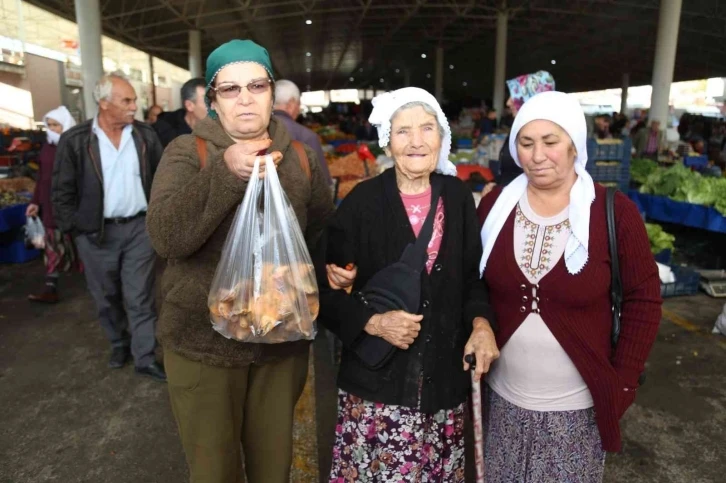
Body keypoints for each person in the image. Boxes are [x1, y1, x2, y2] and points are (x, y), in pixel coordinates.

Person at [145, 40, 334, 483]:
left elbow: (320, 231)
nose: (245, 97)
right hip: (202, 346)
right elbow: (166, 236)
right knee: (215, 472)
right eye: (229, 89)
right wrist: (225, 172)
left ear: (272, 93)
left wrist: (333, 268)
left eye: (256, 85)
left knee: (274, 468)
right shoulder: (187, 153)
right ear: (212, 101)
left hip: (280, 345)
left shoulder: (302, 157)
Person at [476, 91, 662, 482]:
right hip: (502, 404)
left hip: (577, 413)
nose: (537, 155)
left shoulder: (614, 211)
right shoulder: (494, 207)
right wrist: (478, 324)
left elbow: (643, 301)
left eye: (550, 142)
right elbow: (471, 283)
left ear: (575, 145)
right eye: (526, 143)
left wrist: (623, 383)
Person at [319, 87, 498, 482]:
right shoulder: (361, 202)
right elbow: (322, 288)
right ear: (387, 140)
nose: (416, 141)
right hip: (378, 393)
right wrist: (372, 321)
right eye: (403, 131)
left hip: (442, 392)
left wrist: (482, 325)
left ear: (441, 136)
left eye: (427, 128)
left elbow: (472, 278)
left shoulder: (457, 197)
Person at [52, 73, 166, 381]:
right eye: (126, 100)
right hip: (95, 233)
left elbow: (162, 179)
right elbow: (61, 191)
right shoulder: (76, 140)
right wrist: (75, 230)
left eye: (134, 100)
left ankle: (144, 356)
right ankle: (119, 343)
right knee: (106, 296)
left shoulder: (145, 136)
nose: (134, 106)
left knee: (140, 295)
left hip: (139, 230)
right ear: (103, 103)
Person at [26, 106, 81, 303]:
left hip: (74, 205)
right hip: (50, 205)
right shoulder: (47, 148)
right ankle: (51, 286)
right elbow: (42, 178)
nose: (52, 129)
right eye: (49, 125)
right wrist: (35, 202)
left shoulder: (76, 146)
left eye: (56, 125)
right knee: (52, 245)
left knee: (78, 243)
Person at [483, 70, 555, 196]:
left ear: (530, 97)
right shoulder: (518, 129)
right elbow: (511, 172)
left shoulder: (544, 134)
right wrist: (496, 184)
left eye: (515, 95)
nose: (508, 102)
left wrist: (500, 189)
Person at [273, 79, 332, 186]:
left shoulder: (252, 132)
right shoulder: (307, 137)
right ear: (290, 104)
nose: (299, 109)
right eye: (298, 104)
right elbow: (322, 185)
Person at [153, 78, 207, 148]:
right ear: (189, 105)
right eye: (208, 101)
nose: (215, 106)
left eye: (215, 99)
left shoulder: (220, 129)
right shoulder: (164, 134)